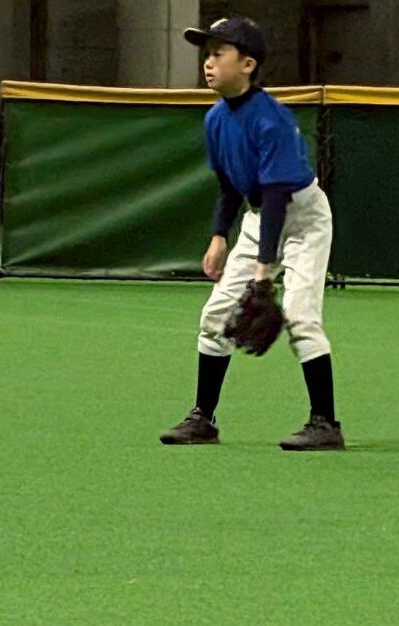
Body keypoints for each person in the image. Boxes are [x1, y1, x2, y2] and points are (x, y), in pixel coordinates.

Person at [159, 16, 344, 451]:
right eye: (206, 54)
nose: (208, 63)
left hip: (302, 219)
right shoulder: (215, 119)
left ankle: (325, 424)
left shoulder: (271, 119)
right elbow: (229, 186)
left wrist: (262, 274)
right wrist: (218, 236)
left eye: (218, 53)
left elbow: (278, 195)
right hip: (259, 217)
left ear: (247, 64)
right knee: (215, 316)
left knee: (300, 315)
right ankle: (202, 419)